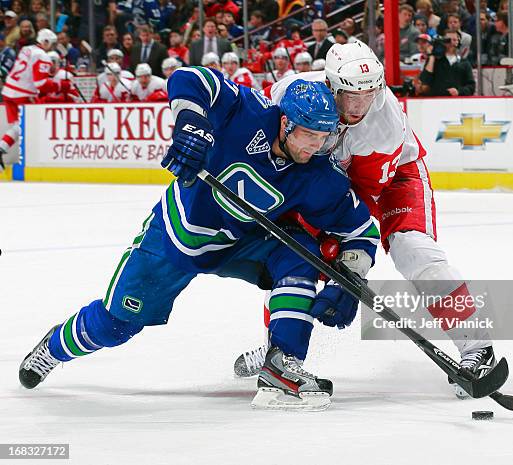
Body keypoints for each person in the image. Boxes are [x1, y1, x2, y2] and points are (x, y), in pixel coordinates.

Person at [18, 71, 379, 412]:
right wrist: (193, 124)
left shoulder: (318, 174)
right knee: (116, 324)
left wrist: (351, 276)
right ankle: (53, 348)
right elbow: (190, 78)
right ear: (285, 123)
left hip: (241, 240)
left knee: (302, 256)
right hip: (177, 237)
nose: (316, 147)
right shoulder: (248, 111)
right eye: (308, 136)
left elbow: (360, 229)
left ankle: (282, 365)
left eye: (323, 137)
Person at [236, 41, 497, 400]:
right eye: (350, 96)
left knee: (416, 252)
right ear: (331, 85)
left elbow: (363, 201)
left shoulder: (383, 123)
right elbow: (251, 119)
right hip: (325, 184)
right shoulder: (295, 92)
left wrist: (350, 264)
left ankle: (478, 349)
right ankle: (277, 352)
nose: (359, 107)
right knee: (295, 254)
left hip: (395, 179)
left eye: (369, 94)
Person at [0, 29, 69, 170]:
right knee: (27, 126)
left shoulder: (26, 49)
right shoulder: (42, 55)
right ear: (45, 41)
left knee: (17, 126)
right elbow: (40, 84)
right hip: (22, 94)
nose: (53, 47)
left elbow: (29, 70)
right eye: (52, 43)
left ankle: (2, 148)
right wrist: (60, 85)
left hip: (8, 91)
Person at [419, 30, 476, 96]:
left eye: (454, 40)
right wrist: (432, 56)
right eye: (448, 40)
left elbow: (471, 86)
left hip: (458, 101)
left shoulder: (464, 63)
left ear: (458, 42)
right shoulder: (435, 60)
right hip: (436, 100)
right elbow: (425, 81)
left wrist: (459, 91)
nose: (451, 42)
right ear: (443, 41)